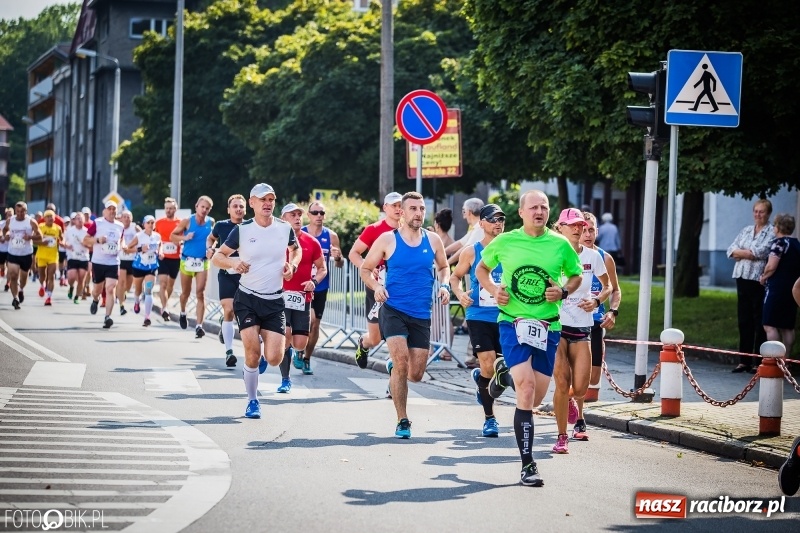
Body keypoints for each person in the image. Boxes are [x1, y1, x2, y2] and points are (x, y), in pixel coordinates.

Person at [476, 190, 582, 487]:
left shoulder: (560, 244)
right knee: (526, 389)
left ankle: (503, 374)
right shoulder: (506, 241)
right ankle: (528, 465)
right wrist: (493, 289)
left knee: (534, 397)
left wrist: (563, 291)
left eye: (544, 207)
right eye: (533, 207)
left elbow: (575, 276)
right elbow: (481, 268)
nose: (539, 211)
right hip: (513, 322)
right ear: (521, 212)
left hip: (549, 326)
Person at [360, 191, 450, 439]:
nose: (418, 213)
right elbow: (365, 269)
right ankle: (403, 420)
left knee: (416, 374)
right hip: (394, 309)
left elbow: (444, 267)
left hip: (421, 313)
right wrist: (377, 286)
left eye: (421, 209)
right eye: (413, 209)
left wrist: (445, 285)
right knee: (401, 363)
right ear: (401, 212)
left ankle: (394, 367)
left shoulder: (432, 240)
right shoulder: (387, 240)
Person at [211, 183, 301, 420]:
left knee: (274, 358)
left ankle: (262, 357)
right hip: (247, 298)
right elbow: (218, 257)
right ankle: (252, 401)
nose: (268, 203)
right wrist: (233, 263)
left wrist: (292, 264)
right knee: (251, 352)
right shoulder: (242, 230)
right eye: (262, 199)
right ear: (252, 203)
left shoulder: (284, 228)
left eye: (271, 199)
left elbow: (296, 249)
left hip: (274, 301)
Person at [550, 209, 611, 452]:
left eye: (581, 224)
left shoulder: (593, 257)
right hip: (555, 325)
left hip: (582, 326)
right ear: (560, 228)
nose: (578, 229)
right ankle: (562, 436)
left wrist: (596, 302)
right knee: (562, 383)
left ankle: (569, 402)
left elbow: (608, 286)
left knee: (583, 387)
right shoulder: (551, 253)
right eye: (572, 225)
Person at [450, 203, 506, 437]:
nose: (498, 223)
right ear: (481, 223)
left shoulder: (512, 249)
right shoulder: (472, 251)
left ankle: (481, 380)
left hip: (507, 315)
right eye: (493, 219)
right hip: (479, 315)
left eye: (502, 219)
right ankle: (490, 419)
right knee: (488, 362)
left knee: (503, 370)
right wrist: (460, 294)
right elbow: (455, 277)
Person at [349, 192, 403, 368]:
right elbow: (354, 253)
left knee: (397, 335)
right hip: (376, 287)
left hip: (399, 289)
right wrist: (368, 269)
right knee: (375, 337)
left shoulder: (408, 230)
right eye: (393, 205)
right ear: (385, 208)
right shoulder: (374, 229)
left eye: (400, 205)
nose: (398, 208)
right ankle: (363, 344)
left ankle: (394, 373)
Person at [277, 203, 326, 391]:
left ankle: (295, 354)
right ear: (283, 219)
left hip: (302, 298)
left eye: (299, 214)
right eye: (292, 215)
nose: (298, 218)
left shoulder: (311, 242)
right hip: (279, 296)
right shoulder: (276, 240)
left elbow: (322, 268)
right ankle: (285, 379)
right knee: (285, 335)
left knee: (299, 343)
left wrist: (314, 281)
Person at [580, 211, 622, 411]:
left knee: (593, 377)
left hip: (596, 321)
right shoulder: (567, 256)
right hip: (571, 323)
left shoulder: (605, 258)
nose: (588, 234)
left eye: (591, 230)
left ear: (597, 231)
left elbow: (615, 289)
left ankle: (575, 405)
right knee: (572, 373)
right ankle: (574, 411)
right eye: (583, 230)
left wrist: (612, 311)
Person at [727, 199, 773, 373]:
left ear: (768, 214)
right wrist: (743, 253)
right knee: (743, 319)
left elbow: (760, 252)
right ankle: (744, 360)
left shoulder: (771, 232)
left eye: (761, 212)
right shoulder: (746, 230)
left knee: (758, 320)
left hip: (758, 280)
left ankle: (758, 361)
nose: (758, 215)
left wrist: (742, 253)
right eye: (756, 211)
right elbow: (730, 249)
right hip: (742, 277)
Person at [208, 194, 247, 367]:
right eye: (235, 206)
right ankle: (229, 351)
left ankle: (225, 324)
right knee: (229, 309)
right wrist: (210, 248)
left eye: (241, 206)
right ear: (229, 209)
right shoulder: (222, 226)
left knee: (243, 313)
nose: (238, 209)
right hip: (226, 274)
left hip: (246, 276)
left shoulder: (250, 226)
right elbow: (211, 238)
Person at [301, 201, 344, 360]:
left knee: (315, 324)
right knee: (307, 320)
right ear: (308, 215)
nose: (319, 216)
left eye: (322, 213)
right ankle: (298, 348)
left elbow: (339, 264)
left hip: (321, 286)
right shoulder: (301, 233)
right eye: (315, 213)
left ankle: (307, 358)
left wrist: (338, 258)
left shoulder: (331, 236)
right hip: (301, 285)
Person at [171, 196, 215, 338]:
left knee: (200, 293)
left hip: (202, 261)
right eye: (202, 207)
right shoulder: (187, 221)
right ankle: (183, 312)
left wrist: (211, 248)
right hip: (187, 261)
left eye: (207, 208)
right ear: (196, 206)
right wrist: (185, 238)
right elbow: (172, 236)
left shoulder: (211, 222)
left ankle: (199, 326)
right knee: (185, 292)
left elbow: (213, 239)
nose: (204, 210)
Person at [759, 214, 800, 353]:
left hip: (776, 288)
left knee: (769, 324)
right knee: (787, 326)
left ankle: (776, 360)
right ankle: (787, 360)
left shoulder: (780, 243)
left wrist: (764, 277)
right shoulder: (796, 244)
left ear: (778, 227)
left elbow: (771, 266)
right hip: (793, 288)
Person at [83, 200, 124, 329]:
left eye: (114, 209)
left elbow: (121, 241)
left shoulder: (120, 226)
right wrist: (98, 240)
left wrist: (122, 246)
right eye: (109, 209)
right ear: (105, 211)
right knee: (97, 290)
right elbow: (85, 240)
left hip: (113, 262)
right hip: (98, 262)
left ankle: (107, 317)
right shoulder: (98, 223)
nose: (112, 211)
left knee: (111, 288)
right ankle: (95, 299)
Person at [123, 215, 162, 327]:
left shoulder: (157, 236)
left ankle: (147, 317)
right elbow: (127, 249)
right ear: (144, 224)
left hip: (152, 267)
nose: (150, 225)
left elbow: (160, 245)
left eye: (152, 223)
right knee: (138, 291)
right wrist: (140, 249)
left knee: (148, 291)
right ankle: (136, 301)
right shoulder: (139, 236)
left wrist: (160, 252)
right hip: (139, 266)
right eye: (148, 223)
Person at [3, 202, 42, 309]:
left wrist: (30, 237)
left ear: (26, 211)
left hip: (26, 254)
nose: (19, 214)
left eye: (22, 212)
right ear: (15, 211)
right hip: (13, 253)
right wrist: (6, 235)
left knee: (23, 279)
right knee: (13, 275)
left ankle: (21, 289)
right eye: (18, 212)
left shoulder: (31, 222)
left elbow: (40, 237)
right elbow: (5, 230)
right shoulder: (10, 220)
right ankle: (15, 298)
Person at [155, 197, 182, 321]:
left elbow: (183, 238)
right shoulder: (159, 223)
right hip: (162, 256)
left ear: (175, 209)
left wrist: (179, 242)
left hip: (175, 258)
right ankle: (164, 307)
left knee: (170, 285)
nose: (168, 210)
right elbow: (155, 237)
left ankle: (165, 302)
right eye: (167, 208)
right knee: (163, 283)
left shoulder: (180, 223)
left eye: (171, 208)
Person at [445, 198, 485, 266]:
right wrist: (439, 253)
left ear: (469, 212)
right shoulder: (476, 228)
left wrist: (446, 264)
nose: (464, 216)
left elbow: (466, 248)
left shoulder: (480, 228)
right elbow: (460, 243)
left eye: (464, 211)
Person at [36, 210, 64, 306]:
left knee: (51, 276)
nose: (50, 218)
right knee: (42, 276)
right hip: (42, 255)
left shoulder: (58, 228)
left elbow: (61, 238)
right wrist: (42, 243)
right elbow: (35, 241)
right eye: (48, 216)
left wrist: (63, 243)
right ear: (44, 218)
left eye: (51, 216)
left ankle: (49, 297)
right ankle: (41, 286)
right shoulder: (40, 227)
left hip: (53, 256)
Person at [64, 212, 90, 305]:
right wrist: (67, 245)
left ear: (84, 220)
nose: (79, 220)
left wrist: (85, 244)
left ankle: (77, 296)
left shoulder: (87, 231)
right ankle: (71, 287)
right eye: (77, 218)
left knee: (81, 278)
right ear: (74, 220)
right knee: (71, 276)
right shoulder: (69, 231)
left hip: (83, 257)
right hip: (72, 256)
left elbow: (91, 245)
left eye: (81, 218)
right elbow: (63, 241)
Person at [116, 210, 139, 316]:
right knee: (121, 282)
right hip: (121, 258)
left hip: (132, 259)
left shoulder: (135, 228)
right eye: (124, 216)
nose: (126, 218)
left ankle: (123, 294)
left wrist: (131, 249)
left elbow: (142, 240)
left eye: (128, 217)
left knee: (129, 285)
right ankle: (121, 305)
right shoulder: (118, 227)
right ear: (121, 218)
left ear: (131, 218)